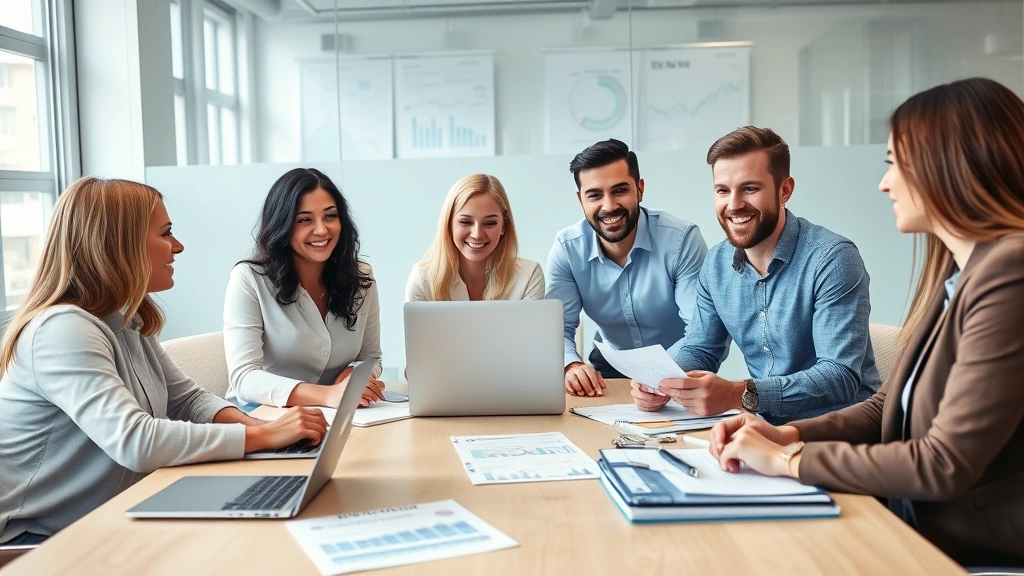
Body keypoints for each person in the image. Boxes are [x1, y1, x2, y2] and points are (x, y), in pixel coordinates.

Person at [709, 78, 1024, 567]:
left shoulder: (1010, 274)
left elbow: (942, 465)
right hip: (904, 513)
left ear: (952, 166)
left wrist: (790, 462)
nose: (885, 183)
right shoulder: (960, 274)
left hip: (955, 539)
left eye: (896, 164)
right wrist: (790, 435)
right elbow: (884, 408)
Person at [0, 177, 328, 545]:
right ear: (118, 245)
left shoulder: (126, 318)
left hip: (113, 514)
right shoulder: (62, 331)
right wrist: (261, 435)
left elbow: (187, 400)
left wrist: (263, 429)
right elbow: (136, 441)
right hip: (35, 542)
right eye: (166, 234)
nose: (178, 246)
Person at [630, 127, 880, 424]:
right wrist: (661, 379)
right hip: (763, 429)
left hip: (839, 432)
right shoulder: (716, 264)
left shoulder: (833, 259)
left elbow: (839, 377)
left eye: (750, 188)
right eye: (723, 190)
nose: (734, 205)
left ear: (784, 190)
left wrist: (739, 394)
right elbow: (700, 348)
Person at [546, 139, 708, 397]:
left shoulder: (681, 240)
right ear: (581, 200)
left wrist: (660, 378)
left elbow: (701, 331)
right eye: (594, 195)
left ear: (639, 189)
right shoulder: (567, 248)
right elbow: (557, 328)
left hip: (679, 365)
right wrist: (571, 365)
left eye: (620, 190)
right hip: (610, 364)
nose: (609, 206)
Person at [224, 168, 383, 408]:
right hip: (263, 413)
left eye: (330, 216)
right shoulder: (249, 279)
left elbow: (371, 357)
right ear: (283, 225)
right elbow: (244, 378)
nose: (321, 230)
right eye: (304, 220)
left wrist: (353, 375)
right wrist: (328, 395)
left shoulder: (361, 277)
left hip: (337, 413)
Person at [406, 174, 544, 301]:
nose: (477, 234)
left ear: (504, 226)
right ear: (449, 224)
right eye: (465, 222)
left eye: (490, 223)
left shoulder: (529, 276)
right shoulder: (423, 279)